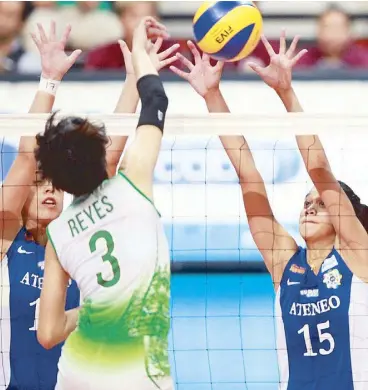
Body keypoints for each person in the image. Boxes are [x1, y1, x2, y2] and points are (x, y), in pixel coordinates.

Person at [171, 33, 368, 389]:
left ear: (344, 219)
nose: (310, 208)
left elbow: (320, 170)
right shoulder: (285, 263)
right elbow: (249, 178)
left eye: (321, 204)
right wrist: (213, 96)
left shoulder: (358, 256)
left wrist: (286, 93)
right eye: (307, 203)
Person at [36, 16, 173, 390]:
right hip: (140, 377)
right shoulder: (133, 183)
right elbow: (157, 99)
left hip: (76, 375)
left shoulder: (58, 232)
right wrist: (140, 53)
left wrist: (99, 304)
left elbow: (48, 333)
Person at [0, 22, 81, 390]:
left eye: (57, 187)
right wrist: (49, 80)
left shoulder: (76, 247)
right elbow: (25, 158)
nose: (50, 191)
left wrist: (135, 82)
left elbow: (112, 162)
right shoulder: (5, 245)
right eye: (39, 184)